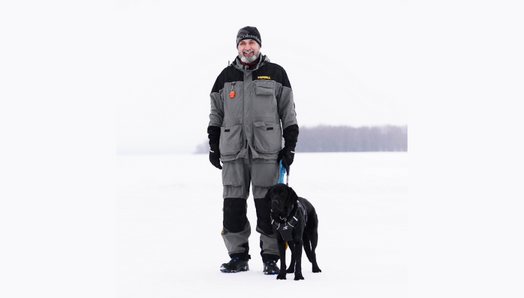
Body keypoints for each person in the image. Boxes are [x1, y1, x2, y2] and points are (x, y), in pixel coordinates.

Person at [207, 26, 299, 274]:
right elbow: (216, 113)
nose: (247, 47)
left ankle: (271, 257)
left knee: (269, 207)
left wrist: (289, 147)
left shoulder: (276, 73)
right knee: (233, 207)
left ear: (259, 45)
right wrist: (213, 145)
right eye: (242, 43)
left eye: (251, 42)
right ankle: (238, 256)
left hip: (266, 154)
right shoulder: (224, 77)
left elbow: (288, 113)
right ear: (237, 47)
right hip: (233, 153)